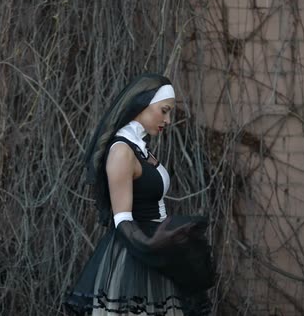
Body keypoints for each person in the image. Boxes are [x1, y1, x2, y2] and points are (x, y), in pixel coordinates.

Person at [65, 74, 214, 316]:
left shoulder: (139, 148)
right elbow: (122, 219)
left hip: (152, 252)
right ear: (141, 104)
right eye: (163, 111)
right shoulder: (122, 152)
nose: (167, 120)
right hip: (134, 258)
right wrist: (153, 243)